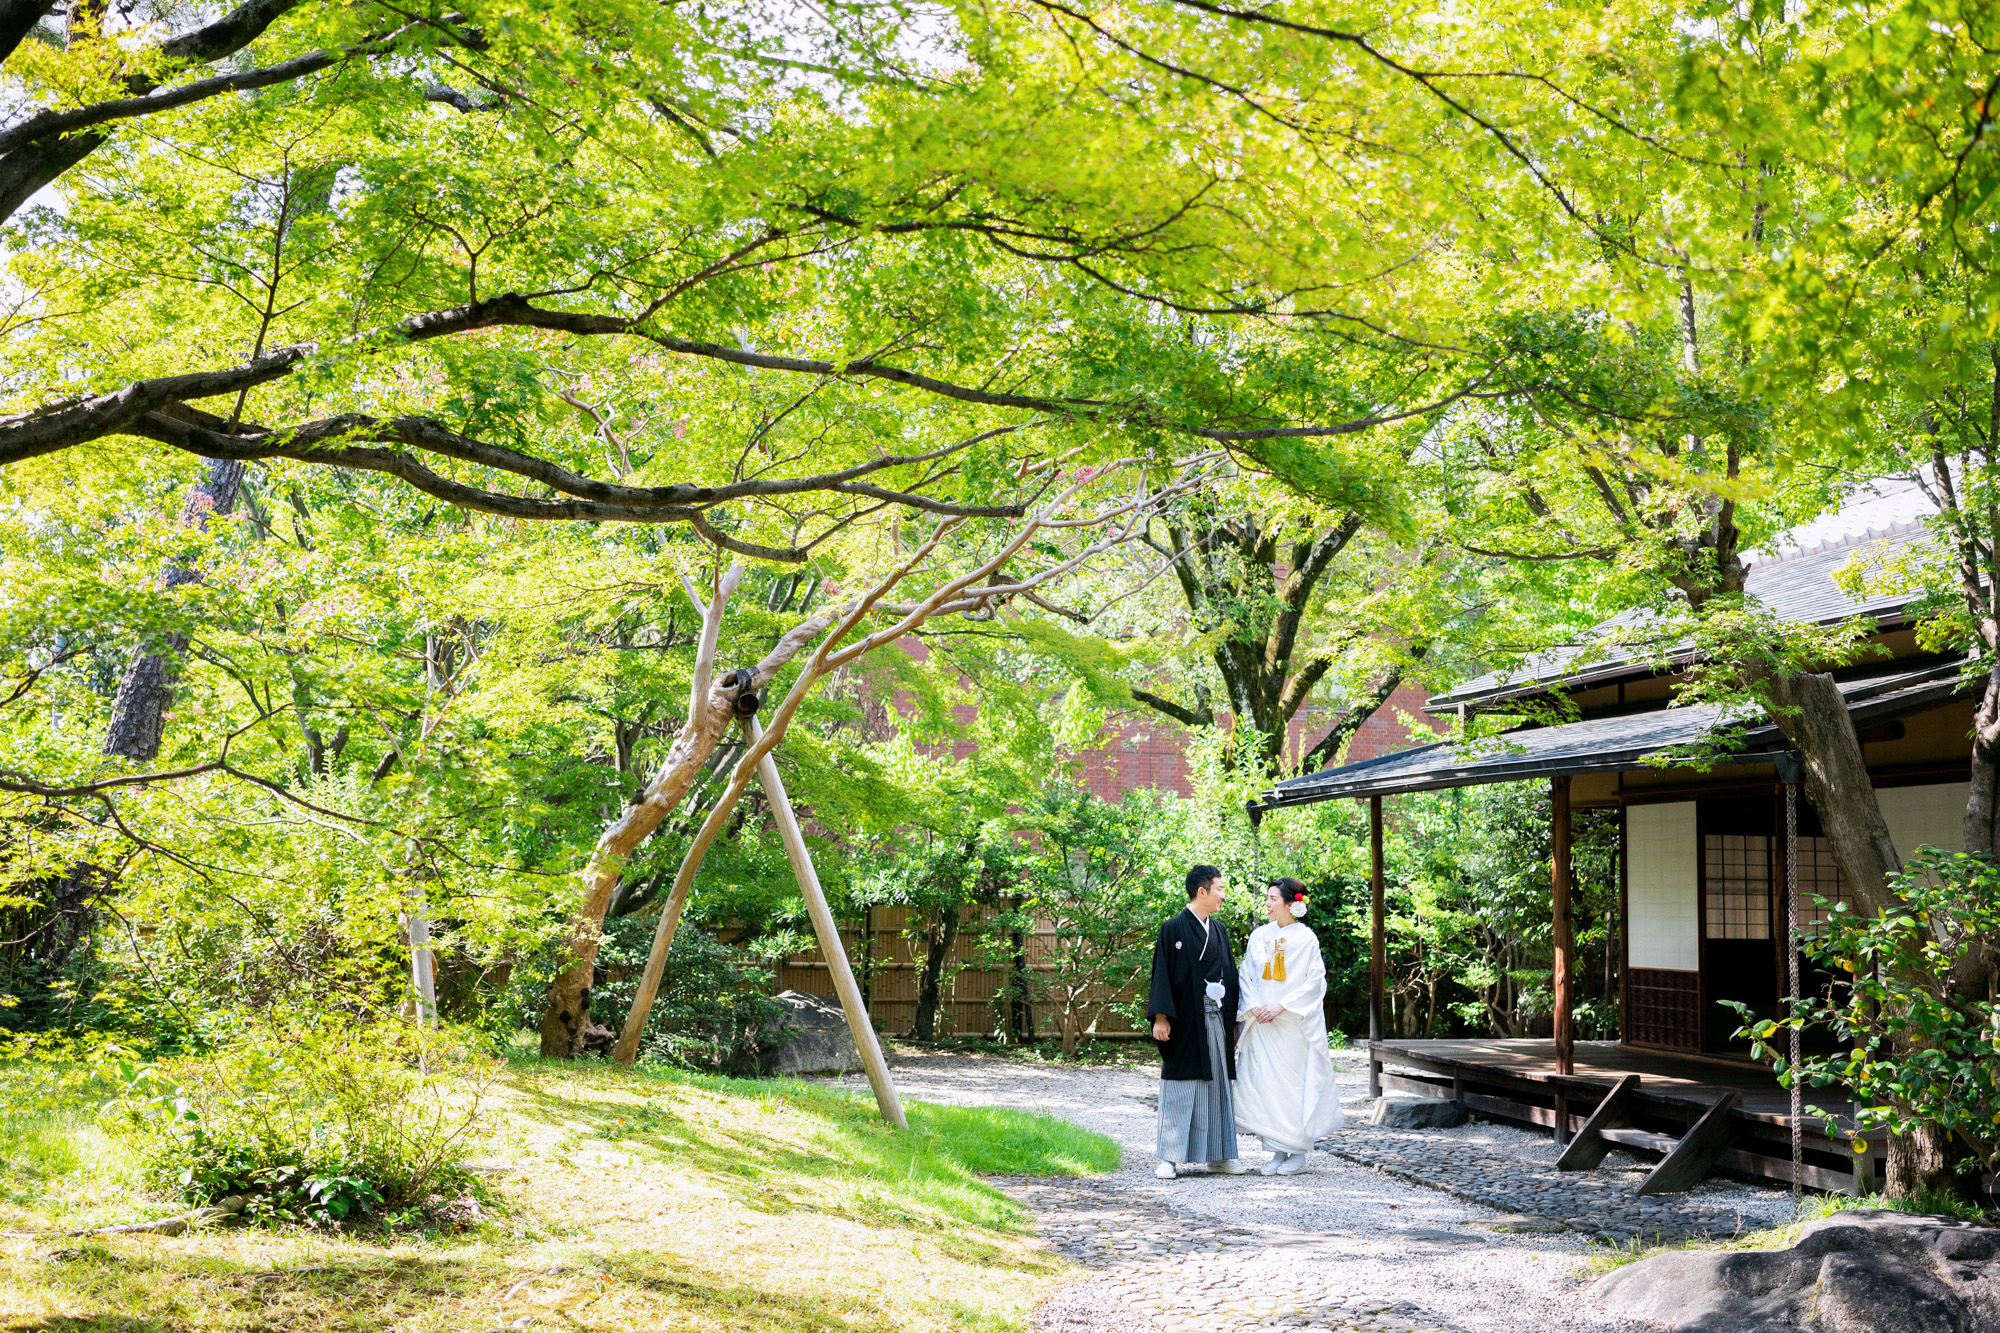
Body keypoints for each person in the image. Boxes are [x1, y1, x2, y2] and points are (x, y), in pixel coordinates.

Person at [1233, 876, 1343, 1175]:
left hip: (1291, 1022)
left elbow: (1314, 981)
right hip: (1263, 1021)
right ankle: (1275, 1150)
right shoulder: (1258, 936)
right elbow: (1246, 974)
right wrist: (1255, 1005)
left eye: (1273, 899)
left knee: (1291, 1084)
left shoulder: (1306, 938)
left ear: (1290, 904)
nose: (1267, 904)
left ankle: (1297, 1153)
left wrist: (1283, 1006)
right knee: (1265, 1083)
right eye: (1267, 898)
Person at [1146, 863, 1245, 1180]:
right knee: (1179, 1083)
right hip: (1185, 1019)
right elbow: (1162, 972)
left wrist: (1231, 1018)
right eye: (1219, 888)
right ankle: (1168, 1157)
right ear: (1201, 891)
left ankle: (1220, 1155)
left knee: (1218, 1085)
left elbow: (1229, 973)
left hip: (1215, 1018)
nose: (1222, 894)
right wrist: (1161, 1016)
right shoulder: (1173, 928)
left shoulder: (1218, 930)